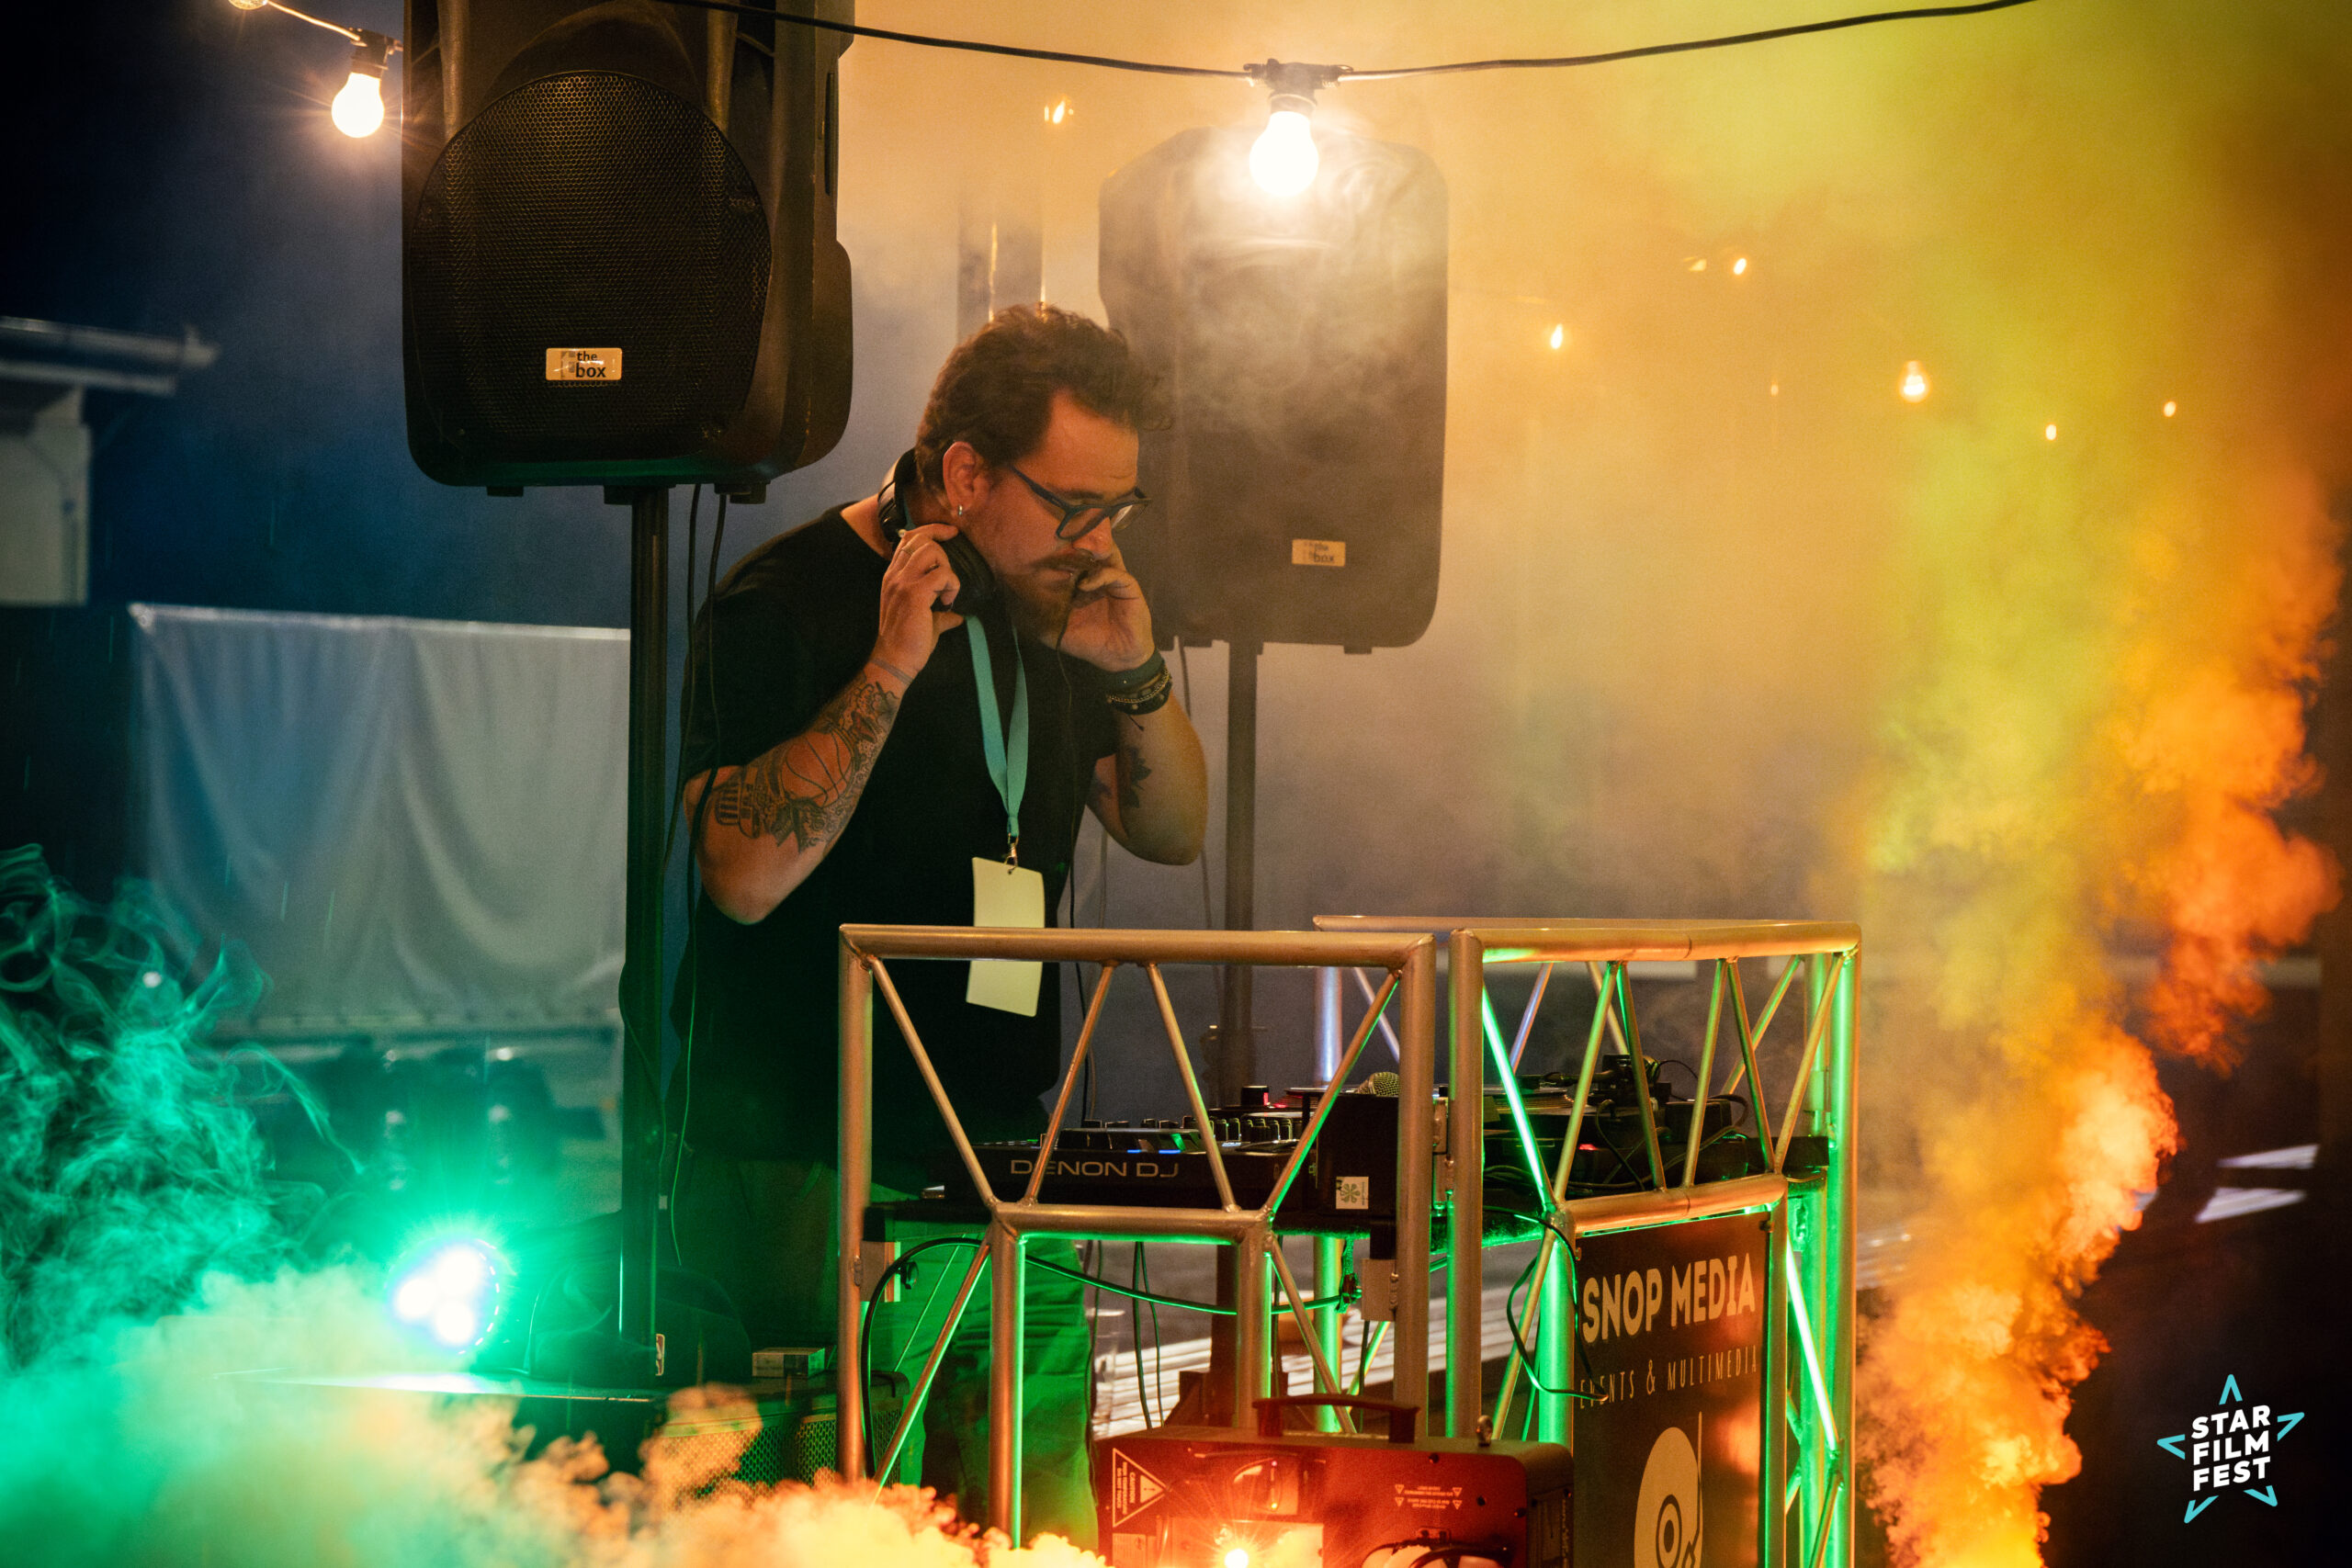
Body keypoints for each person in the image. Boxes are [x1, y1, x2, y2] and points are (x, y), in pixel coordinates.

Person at [670, 305, 1207, 1540]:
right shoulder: (786, 600)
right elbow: (741, 874)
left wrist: (1134, 669)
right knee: (840, 1523)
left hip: (1003, 1155)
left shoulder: (1058, 609)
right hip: (810, 1165)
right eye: (1076, 507)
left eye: (1119, 509)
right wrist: (890, 670)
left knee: (1036, 1520)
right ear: (965, 475)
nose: (1100, 540)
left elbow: (1172, 830)